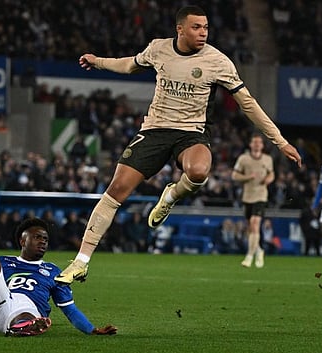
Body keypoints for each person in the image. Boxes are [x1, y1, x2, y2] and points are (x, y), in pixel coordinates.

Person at [55, 5, 301, 284]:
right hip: (155, 129)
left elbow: (248, 103)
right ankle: (81, 261)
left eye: (206, 27)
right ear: (180, 29)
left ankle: (170, 197)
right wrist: (98, 61)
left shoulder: (218, 61)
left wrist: (279, 141)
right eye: (197, 27)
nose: (203, 33)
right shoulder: (159, 49)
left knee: (198, 171)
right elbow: (130, 64)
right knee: (116, 190)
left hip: (191, 133)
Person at [0, 218, 117, 337]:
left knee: (27, 308)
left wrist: (91, 330)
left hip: (25, 312)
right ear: (22, 241)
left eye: (45, 239)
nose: (43, 241)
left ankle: (22, 326)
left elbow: (70, 310)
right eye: (37, 237)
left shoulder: (54, 271)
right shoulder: (5, 262)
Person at [231, 133, 275, 268]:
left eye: (259, 143)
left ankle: (249, 256)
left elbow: (271, 173)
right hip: (247, 196)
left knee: (255, 223)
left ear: (262, 145)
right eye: (254, 142)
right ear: (250, 144)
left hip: (261, 196)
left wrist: (268, 179)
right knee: (251, 228)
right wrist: (247, 177)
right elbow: (234, 175)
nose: (256, 145)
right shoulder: (244, 159)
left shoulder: (267, 159)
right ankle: (259, 250)